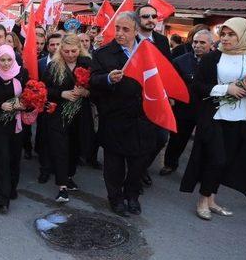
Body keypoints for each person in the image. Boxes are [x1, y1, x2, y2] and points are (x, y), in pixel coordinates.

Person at [180, 18, 246, 220]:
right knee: (216, 159)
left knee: (226, 161)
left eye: (231, 34)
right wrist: (225, 89)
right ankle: (203, 200)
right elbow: (198, 87)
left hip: (239, 118)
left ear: (243, 36)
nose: (226, 38)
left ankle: (212, 200)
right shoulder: (213, 58)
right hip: (213, 117)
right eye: (224, 34)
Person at [90, 12, 157, 217]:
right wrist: (108, 79)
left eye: (125, 29)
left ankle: (132, 196)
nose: (119, 33)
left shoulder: (148, 51)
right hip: (115, 119)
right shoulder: (103, 54)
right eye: (117, 28)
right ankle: (116, 198)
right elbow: (92, 81)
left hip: (143, 119)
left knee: (137, 165)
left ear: (136, 30)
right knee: (114, 166)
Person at [44, 34, 93, 202]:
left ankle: (69, 175)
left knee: (76, 147)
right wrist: (61, 93)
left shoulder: (88, 64)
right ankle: (62, 186)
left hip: (80, 115)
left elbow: (97, 88)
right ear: (60, 50)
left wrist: (86, 92)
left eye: (74, 51)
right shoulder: (53, 66)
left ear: (80, 49)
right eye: (66, 51)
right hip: (58, 115)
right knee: (60, 148)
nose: (70, 54)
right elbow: (45, 90)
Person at [160, 30, 214, 176]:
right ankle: (170, 164)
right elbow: (170, 83)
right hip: (184, 108)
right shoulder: (180, 61)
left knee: (204, 142)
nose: (198, 45)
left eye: (202, 42)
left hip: (207, 109)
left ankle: (200, 172)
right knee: (178, 139)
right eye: (195, 42)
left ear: (211, 44)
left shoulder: (217, 62)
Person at [135, 4, 172, 186]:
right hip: (135, 98)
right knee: (139, 139)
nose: (151, 19)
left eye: (154, 16)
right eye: (146, 16)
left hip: (158, 98)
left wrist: (169, 94)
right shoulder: (130, 39)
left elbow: (168, 69)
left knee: (160, 138)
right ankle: (135, 171)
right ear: (137, 20)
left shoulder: (162, 41)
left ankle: (142, 168)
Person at [0, 45, 28, 214]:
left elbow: (30, 97)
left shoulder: (22, 74)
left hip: (17, 124)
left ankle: (12, 188)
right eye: (2, 60)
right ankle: (1, 199)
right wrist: (1, 105)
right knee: (2, 160)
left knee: (14, 158)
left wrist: (22, 105)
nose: (5, 64)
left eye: (9, 60)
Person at [35, 32, 63, 183]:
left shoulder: (68, 62)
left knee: (59, 141)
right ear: (48, 46)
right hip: (44, 108)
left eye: (58, 44)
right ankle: (44, 169)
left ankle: (59, 170)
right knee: (44, 139)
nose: (55, 47)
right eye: (52, 44)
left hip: (62, 107)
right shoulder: (40, 63)